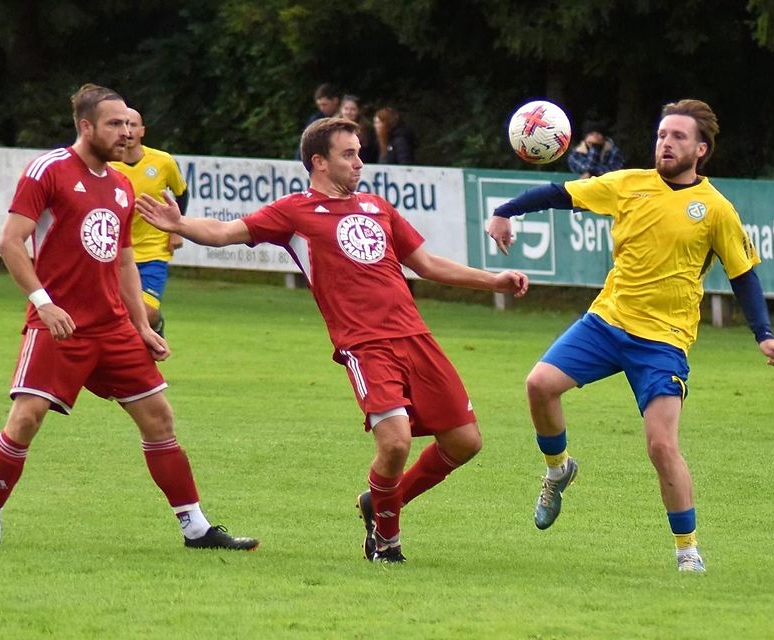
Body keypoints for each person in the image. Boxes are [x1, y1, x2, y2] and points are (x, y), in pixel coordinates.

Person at [136, 117, 529, 564]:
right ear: (318, 162)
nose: (360, 162)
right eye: (349, 154)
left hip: (416, 336)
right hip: (365, 344)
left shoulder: (378, 207)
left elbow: (427, 264)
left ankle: (381, 500)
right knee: (395, 441)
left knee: (465, 442)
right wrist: (180, 223)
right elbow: (227, 232)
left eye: (360, 152)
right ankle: (386, 540)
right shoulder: (294, 212)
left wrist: (493, 281)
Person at [486, 98, 774, 573]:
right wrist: (505, 211)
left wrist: (763, 333)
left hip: (663, 342)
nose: (666, 143)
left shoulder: (715, 209)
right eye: (662, 135)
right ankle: (558, 469)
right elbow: (560, 194)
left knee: (661, 446)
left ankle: (687, 550)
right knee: (538, 385)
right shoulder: (628, 185)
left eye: (679, 137)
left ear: (701, 149)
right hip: (607, 323)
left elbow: (743, 274)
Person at [0, 83, 257, 552]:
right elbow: (10, 242)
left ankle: (196, 528)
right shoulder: (49, 170)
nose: (126, 133)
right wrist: (44, 303)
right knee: (25, 419)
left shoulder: (123, 184)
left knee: (159, 419)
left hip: (113, 328)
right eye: (115, 124)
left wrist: (142, 326)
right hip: (59, 325)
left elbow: (124, 260)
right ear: (86, 126)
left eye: (130, 124)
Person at [110, 108, 189, 337]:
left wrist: (177, 229)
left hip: (154, 251)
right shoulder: (107, 165)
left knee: (147, 312)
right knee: (116, 312)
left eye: (133, 125)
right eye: (122, 124)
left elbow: (181, 193)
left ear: (142, 130)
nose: (128, 130)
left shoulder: (163, 161)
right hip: (117, 253)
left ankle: (157, 325)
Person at [294, 83, 341, 160]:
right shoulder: (316, 119)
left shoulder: (346, 117)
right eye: (319, 105)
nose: (321, 108)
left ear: (335, 101)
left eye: (324, 104)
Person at [340, 94, 379, 164]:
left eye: (353, 109)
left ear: (359, 111)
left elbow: (373, 152)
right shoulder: (333, 127)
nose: (349, 112)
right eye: (346, 109)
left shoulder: (367, 129)